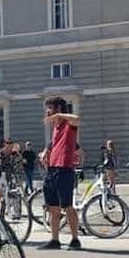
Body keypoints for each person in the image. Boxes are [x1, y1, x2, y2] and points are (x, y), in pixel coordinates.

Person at [39, 97, 81, 250]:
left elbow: (77, 119)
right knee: (53, 207)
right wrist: (46, 151)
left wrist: (59, 115)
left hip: (64, 169)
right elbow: (55, 143)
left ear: (58, 109)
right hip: (52, 169)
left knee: (68, 206)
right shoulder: (56, 128)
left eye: (50, 108)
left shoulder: (69, 124)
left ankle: (75, 239)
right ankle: (55, 240)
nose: (47, 112)